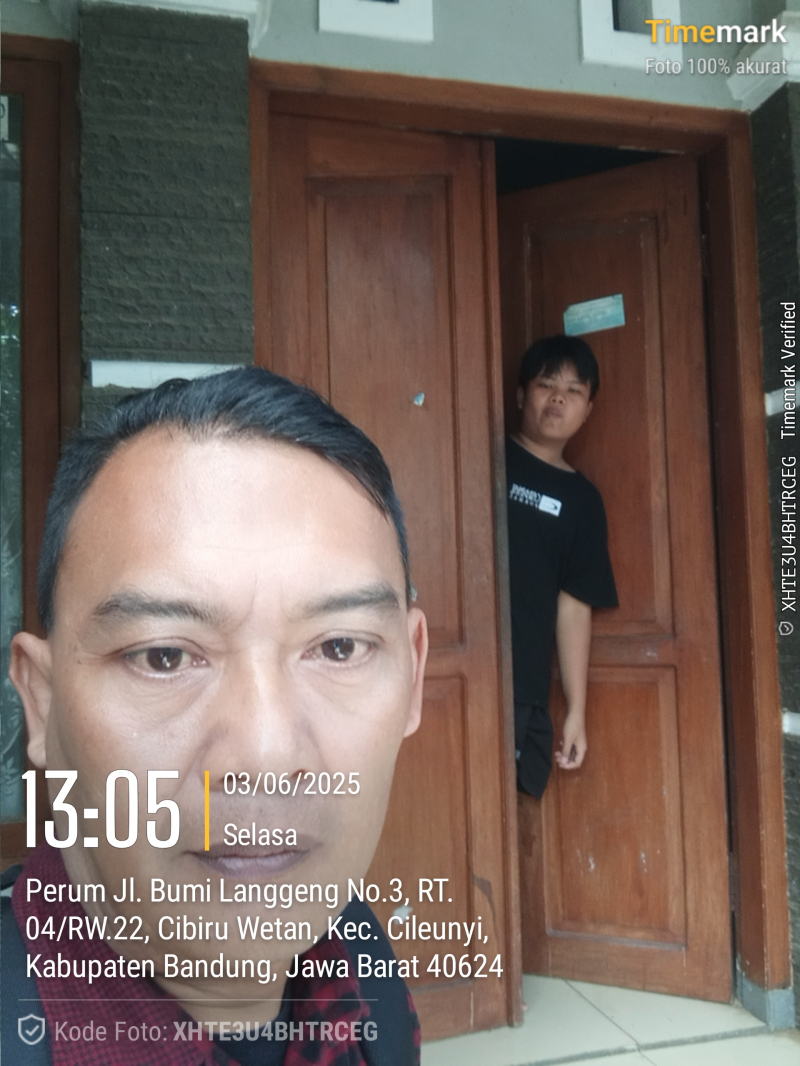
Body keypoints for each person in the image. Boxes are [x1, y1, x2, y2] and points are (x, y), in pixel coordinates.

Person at [2, 367, 428, 1065]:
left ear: (413, 674)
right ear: (42, 702)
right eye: (165, 656)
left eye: (339, 647)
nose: (266, 755)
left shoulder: (358, 962)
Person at [506, 335, 617, 798]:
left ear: (588, 409)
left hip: (522, 688)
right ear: (520, 395)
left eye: (573, 391)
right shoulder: (479, 460)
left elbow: (573, 608)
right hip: (456, 667)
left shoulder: (582, 502)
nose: (558, 398)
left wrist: (576, 710)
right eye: (546, 384)